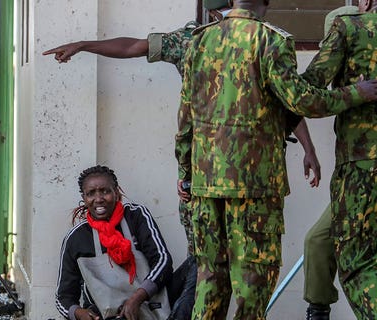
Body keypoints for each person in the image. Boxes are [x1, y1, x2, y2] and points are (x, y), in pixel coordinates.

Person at [43, 0, 322, 257]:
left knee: (211, 265)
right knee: (225, 263)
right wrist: (82, 45)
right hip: (234, 178)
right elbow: (134, 47)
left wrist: (309, 147)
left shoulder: (210, 40)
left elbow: (284, 100)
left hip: (216, 176)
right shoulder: (206, 39)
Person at [176, 0, 377, 319]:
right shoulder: (270, 39)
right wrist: (357, 93)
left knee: (210, 280)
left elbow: (186, 115)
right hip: (254, 185)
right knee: (252, 284)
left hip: (205, 181)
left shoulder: (200, 39)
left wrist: (186, 172)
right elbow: (302, 100)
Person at [301, 0, 377, 318]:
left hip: (364, 170)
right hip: (360, 177)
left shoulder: (349, 28)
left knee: (358, 264)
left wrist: (352, 94)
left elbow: (305, 93)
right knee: (318, 240)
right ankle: (317, 311)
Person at [56, 165, 196, 320]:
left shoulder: (135, 216)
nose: (98, 199)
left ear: (116, 192)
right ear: (84, 198)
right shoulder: (76, 238)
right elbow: (63, 297)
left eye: (105, 191)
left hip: (152, 302)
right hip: (109, 314)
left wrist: (137, 298)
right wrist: (79, 313)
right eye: (91, 194)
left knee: (198, 264)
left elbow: (163, 261)